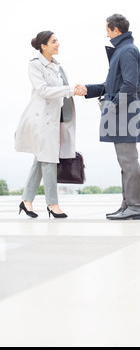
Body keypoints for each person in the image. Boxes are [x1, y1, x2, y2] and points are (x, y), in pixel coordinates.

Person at [78, 14, 140, 220]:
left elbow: (130, 85)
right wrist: (88, 89)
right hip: (123, 111)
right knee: (125, 161)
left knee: (129, 160)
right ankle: (128, 205)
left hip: (124, 113)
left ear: (116, 30)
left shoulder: (127, 51)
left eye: (107, 29)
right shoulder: (124, 50)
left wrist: (113, 106)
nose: (106, 33)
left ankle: (134, 206)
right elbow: (114, 84)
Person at [15, 31, 83, 219]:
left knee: (42, 158)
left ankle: (26, 200)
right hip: (41, 120)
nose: (58, 44)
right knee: (50, 160)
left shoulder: (58, 67)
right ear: (43, 45)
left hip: (55, 119)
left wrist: (75, 90)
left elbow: (63, 92)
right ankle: (52, 204)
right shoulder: (35, 65)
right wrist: (71, 89)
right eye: (54, 41)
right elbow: (44, 90)